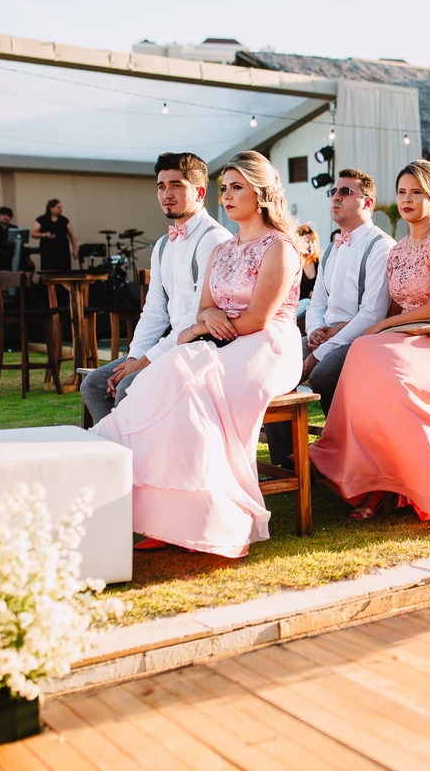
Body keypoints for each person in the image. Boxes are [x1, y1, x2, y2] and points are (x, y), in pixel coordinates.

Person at [90, 151, 302, 556]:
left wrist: (199, 329)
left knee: (188, 382)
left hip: (267, 344)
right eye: (225, 189)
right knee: (165, 374)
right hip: (224, 340)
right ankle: (165, 513)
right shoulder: (224, 250)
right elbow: (205, 305)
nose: (227, 196)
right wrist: (202, 323)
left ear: (260, 194)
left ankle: (205, 511)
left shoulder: (280, 247)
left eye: (237, 188)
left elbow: (258, 318)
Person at [309, 160, 430, 524]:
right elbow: (393, 308)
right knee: (363, 353)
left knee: (380, 361)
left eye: (416, 192)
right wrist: (369, 330)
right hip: (407, 337)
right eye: (402, 192)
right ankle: (375, 476)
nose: (407, 199)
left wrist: (381, 328)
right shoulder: (398, 250)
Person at [81, 152, 232, 423]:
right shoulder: (163, 245)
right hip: (170, 343)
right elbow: (154, 311)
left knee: (129, 387)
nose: (166, 194)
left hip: (203, 345)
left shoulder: (215, 239)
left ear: (199, 192)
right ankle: (120, 454)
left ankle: (142, 455)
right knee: (93, 385)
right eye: (161, 186)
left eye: (176, 185)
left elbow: (197, 315)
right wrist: (135, 356)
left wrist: (144, 363)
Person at [263, 169, 394, 470]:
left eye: (345, 192)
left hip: (361, 339)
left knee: (323, 374)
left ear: (368, 202)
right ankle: (288, 465)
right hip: (326, 335)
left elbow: (372, 314)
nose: (336, 197)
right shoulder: (333, 248)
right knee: (272, 361)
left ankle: (346, 459)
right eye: (334, 192)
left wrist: (318, 354)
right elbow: (316, 300)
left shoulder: (381, 247)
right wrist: (313, 332)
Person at [31, 199, 78, 271]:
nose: (61, 210)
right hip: (48, 253)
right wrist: (44, 235)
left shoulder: (64, 220)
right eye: (58, 208)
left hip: (63, 252)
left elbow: (72, 235)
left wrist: (75, 250)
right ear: (51, 208)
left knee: (64, 273)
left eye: (61, 208)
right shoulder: (42, 219)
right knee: (49, 273)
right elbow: (32, 233)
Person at [0, 207, 30, 272]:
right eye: (3, 215)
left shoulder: (14, 227)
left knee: (27, 263)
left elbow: (19, 244)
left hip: (10, 255)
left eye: (8, 216)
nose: (6, 217)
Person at [294, 222, 320, 327]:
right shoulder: (295, 265)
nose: (311, 246)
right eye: (307, 242)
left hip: (316, 307)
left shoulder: (319, 264)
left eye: (313, 242)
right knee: (306, 302)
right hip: (299, 307)